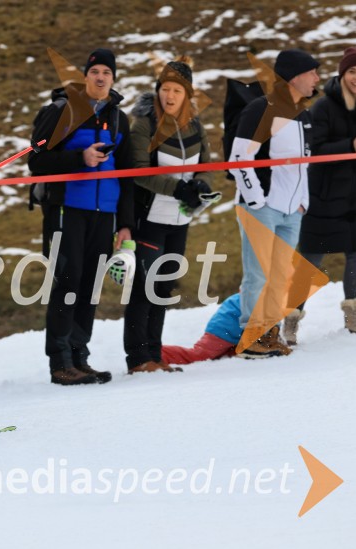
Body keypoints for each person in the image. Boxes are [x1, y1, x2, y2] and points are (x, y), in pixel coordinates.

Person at [28, 48, 134, 385]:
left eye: (107, 72)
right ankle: (60, 363)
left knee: (89, 286)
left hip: (105, 214)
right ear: (86, 77)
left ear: (113, 78)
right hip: (66, 210)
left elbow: (127, 174)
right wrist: (79, 158)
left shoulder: (120, 118)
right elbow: (37, 162)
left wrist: (126, 223)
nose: (101, 77)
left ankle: (79, 357)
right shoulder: (62, 112)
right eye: (95, 72)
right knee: (68, 281)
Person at [123, 58, 213, 374]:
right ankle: (137, 358)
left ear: (187, 94)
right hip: (149, 218)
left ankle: (155, 354)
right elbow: (137, 172)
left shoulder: (195, 124)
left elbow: (207, 164)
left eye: (176, 90)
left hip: (180, 219)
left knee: (164, 286)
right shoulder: (145, 123)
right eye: (165, 89)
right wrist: (177, 188)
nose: (169, 96)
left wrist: (201, 186)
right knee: (144, 287)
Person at [229, 49, 320, 358]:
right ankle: (251, 335)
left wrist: (302, 202)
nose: (317, 78)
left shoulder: (303, 114)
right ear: (295, 76)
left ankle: (270, 332)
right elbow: (240, 157)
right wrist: (257, 199)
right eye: (312, 72)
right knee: (258, 273)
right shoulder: (262, 108)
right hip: (262, 207)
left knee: (281, 275)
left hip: (292, 209)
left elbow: (303, 164)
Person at [284, 47, 356, 343]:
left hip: (355, 198)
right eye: (352, 71)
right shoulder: (324, 107)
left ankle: (353, 315)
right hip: (324, 198)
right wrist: (350, 146)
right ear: (342, 75)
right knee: (309, 261)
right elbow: (314, 151)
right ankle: (290, 318)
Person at [161, 294, 242, 365]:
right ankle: (155, 353)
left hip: (232, 328)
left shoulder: (250, 290)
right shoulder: (250, 292)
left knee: (225, 355)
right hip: (225, 330)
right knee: (198, 356)